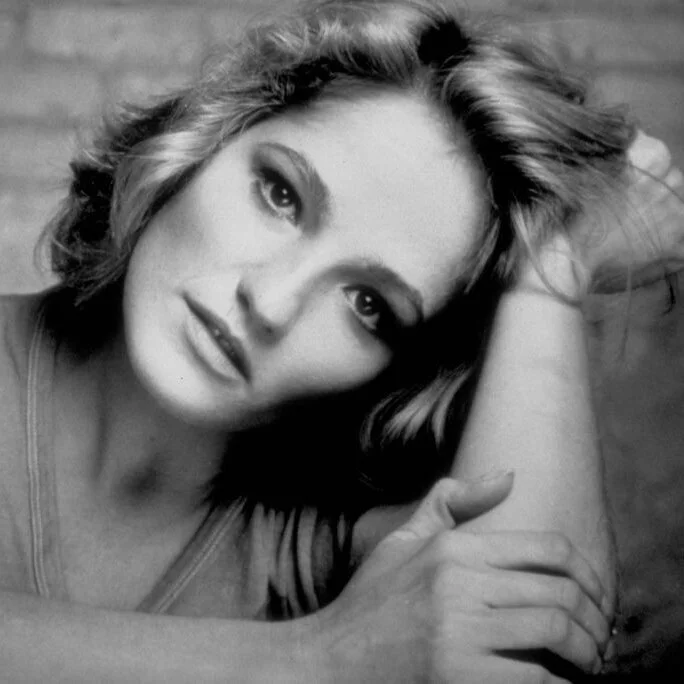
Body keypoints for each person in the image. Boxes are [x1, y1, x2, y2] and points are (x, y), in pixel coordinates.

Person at [0, 0, 682, 681]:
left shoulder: (321, 542)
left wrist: (547, 272)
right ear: (206, 140)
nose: (271, 303)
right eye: (280, 194)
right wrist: (319, 658)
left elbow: (528, 662)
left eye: (367, 305)